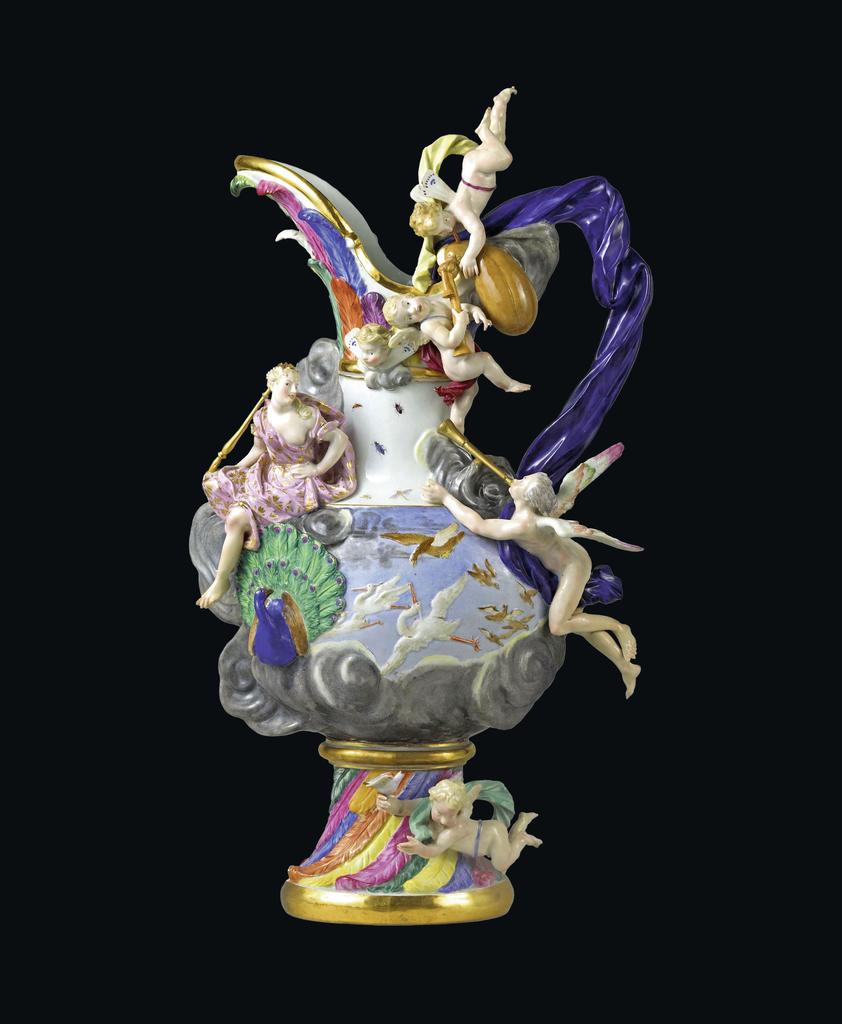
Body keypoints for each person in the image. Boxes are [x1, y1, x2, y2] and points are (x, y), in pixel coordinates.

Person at [421, 472, 642, 697]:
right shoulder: (532, 512)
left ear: (527, 498)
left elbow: (478, 525)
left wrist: (445, 497)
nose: (516, 480)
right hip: (569, 557)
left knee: (559, 625)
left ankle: (619, 627)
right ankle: (626, 667)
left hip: (572, 568)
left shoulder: (523, 524)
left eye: (522, 482)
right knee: (579, 623)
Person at [196, 363, 356, 608]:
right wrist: (236, 468)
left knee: (237, 518)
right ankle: (222, 579)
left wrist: (317, 469)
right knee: (234, 516)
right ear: (271, 385)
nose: (293, 390)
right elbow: (258, 450)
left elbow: (340, 439)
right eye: (287, 384)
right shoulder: (262, 417)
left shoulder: (307, 415)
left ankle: (226, 573)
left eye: (296, 384)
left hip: (295, 485)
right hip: (267, 476)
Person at [409, 87, 517, 279]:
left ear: (443, 214)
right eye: (441, 232)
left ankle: (482, 130)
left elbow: (478, 231)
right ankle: (501, 100)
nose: (445, 231)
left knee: (506, 158)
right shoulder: (448, 218)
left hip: (477, 169)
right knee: (498, 137)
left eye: (444, 225)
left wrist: (469, 257)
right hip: (475, 170)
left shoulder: (460, 210)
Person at [382, 293, 529, 431]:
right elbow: (451, 341)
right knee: (485, 360)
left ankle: (455, 425)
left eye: (407, 304)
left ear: (410, 296)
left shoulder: (436, 302)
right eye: (409, 317)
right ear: (412, 324)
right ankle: (508, 385)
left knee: (470, 391)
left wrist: (474, 310)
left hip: (464, 355)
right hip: (458, 365)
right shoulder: (427, 326)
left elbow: (459, 308)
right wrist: (461, 323)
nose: (413, 310)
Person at [378, 777, 541, 874]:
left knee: (501, 865)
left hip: (492, 835)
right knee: (503, 859)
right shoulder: (427, 805)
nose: (444, 821)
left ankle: (521, 839)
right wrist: (386, 802)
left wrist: (420, 849)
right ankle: (523, 821)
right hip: (489, 831)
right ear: (432, 801)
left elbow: (435, 849)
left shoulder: (454, 830)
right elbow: (402, 808)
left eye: (452, 815)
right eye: (440, 813)